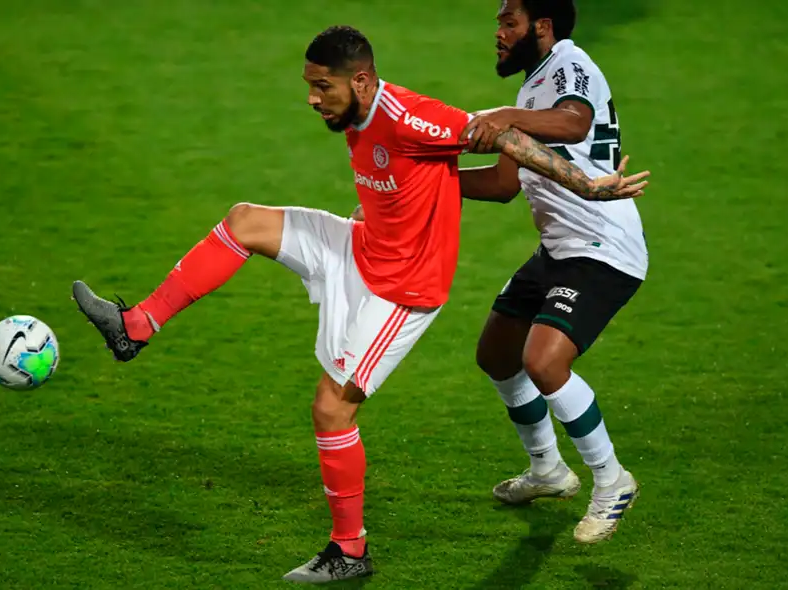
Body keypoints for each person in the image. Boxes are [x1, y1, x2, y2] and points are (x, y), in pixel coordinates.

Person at [71, 25, 648, 583]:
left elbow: (507, 141)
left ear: (364, 82)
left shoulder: (410, 117)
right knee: (245, 221)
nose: (312, 98)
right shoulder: (359, 113)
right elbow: (451, 175)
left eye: (324, 87)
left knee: (331, 410)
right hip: (361, 248)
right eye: (310, 85)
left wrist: (588, 186)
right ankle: (137, 325)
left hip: (402, 290)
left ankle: (349, 551)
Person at [457, 0, 649, 545]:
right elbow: (501, 185)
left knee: (543, 360)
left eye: (508, 23)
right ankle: (548, 470)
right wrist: (432, 180)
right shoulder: (528, 90)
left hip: (604, 246)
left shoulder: (569, 61)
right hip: (559, 250)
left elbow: (575, 120)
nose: (498, 33)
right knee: (496, 353)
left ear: (541, 28)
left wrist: (507, 117)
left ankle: (612, 480)